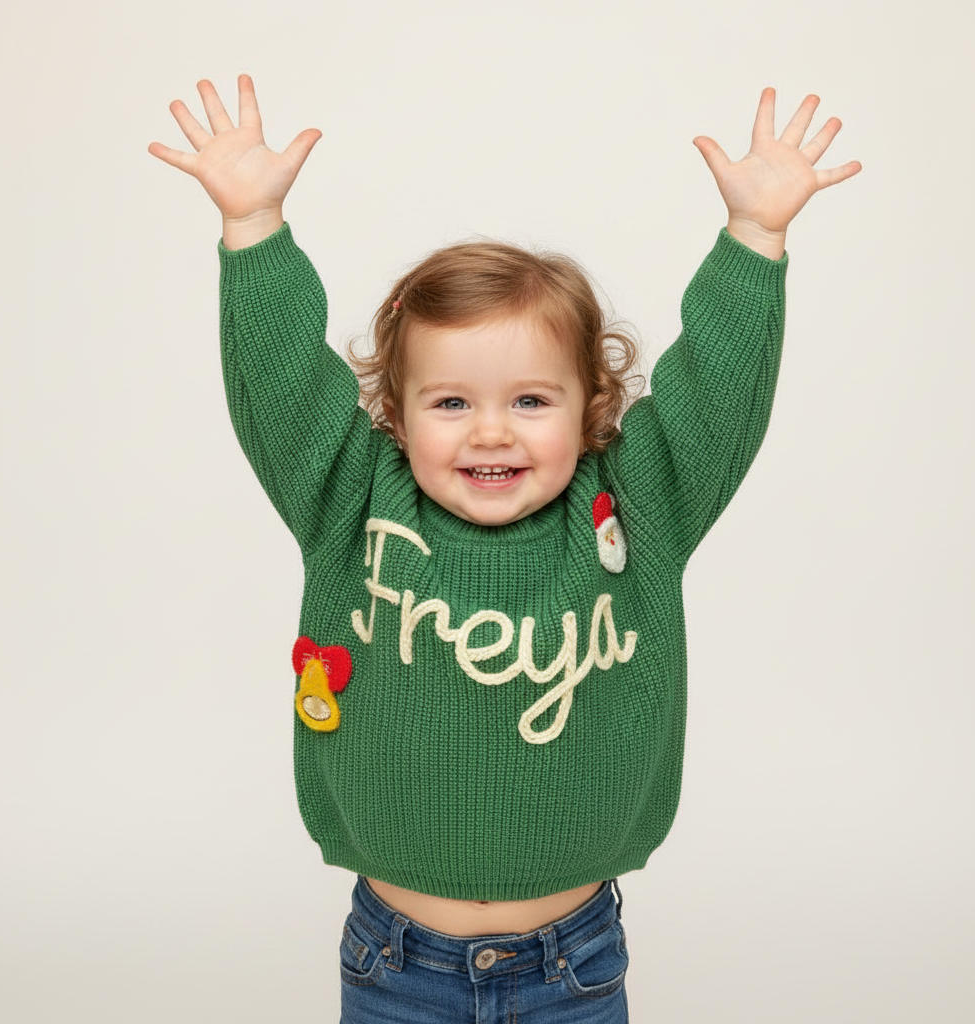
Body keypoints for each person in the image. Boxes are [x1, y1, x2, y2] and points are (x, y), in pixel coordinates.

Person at [149, 75, 860, 1023]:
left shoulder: (634, 507)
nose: (492, 432)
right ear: (395, 417)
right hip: (395, 963)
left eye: (531, 400)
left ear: (592, 409)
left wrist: (755, 241)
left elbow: (716, 395)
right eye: (451, 402)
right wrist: (254, 228)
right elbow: (281, 385)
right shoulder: (351, 500)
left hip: (573, 966)